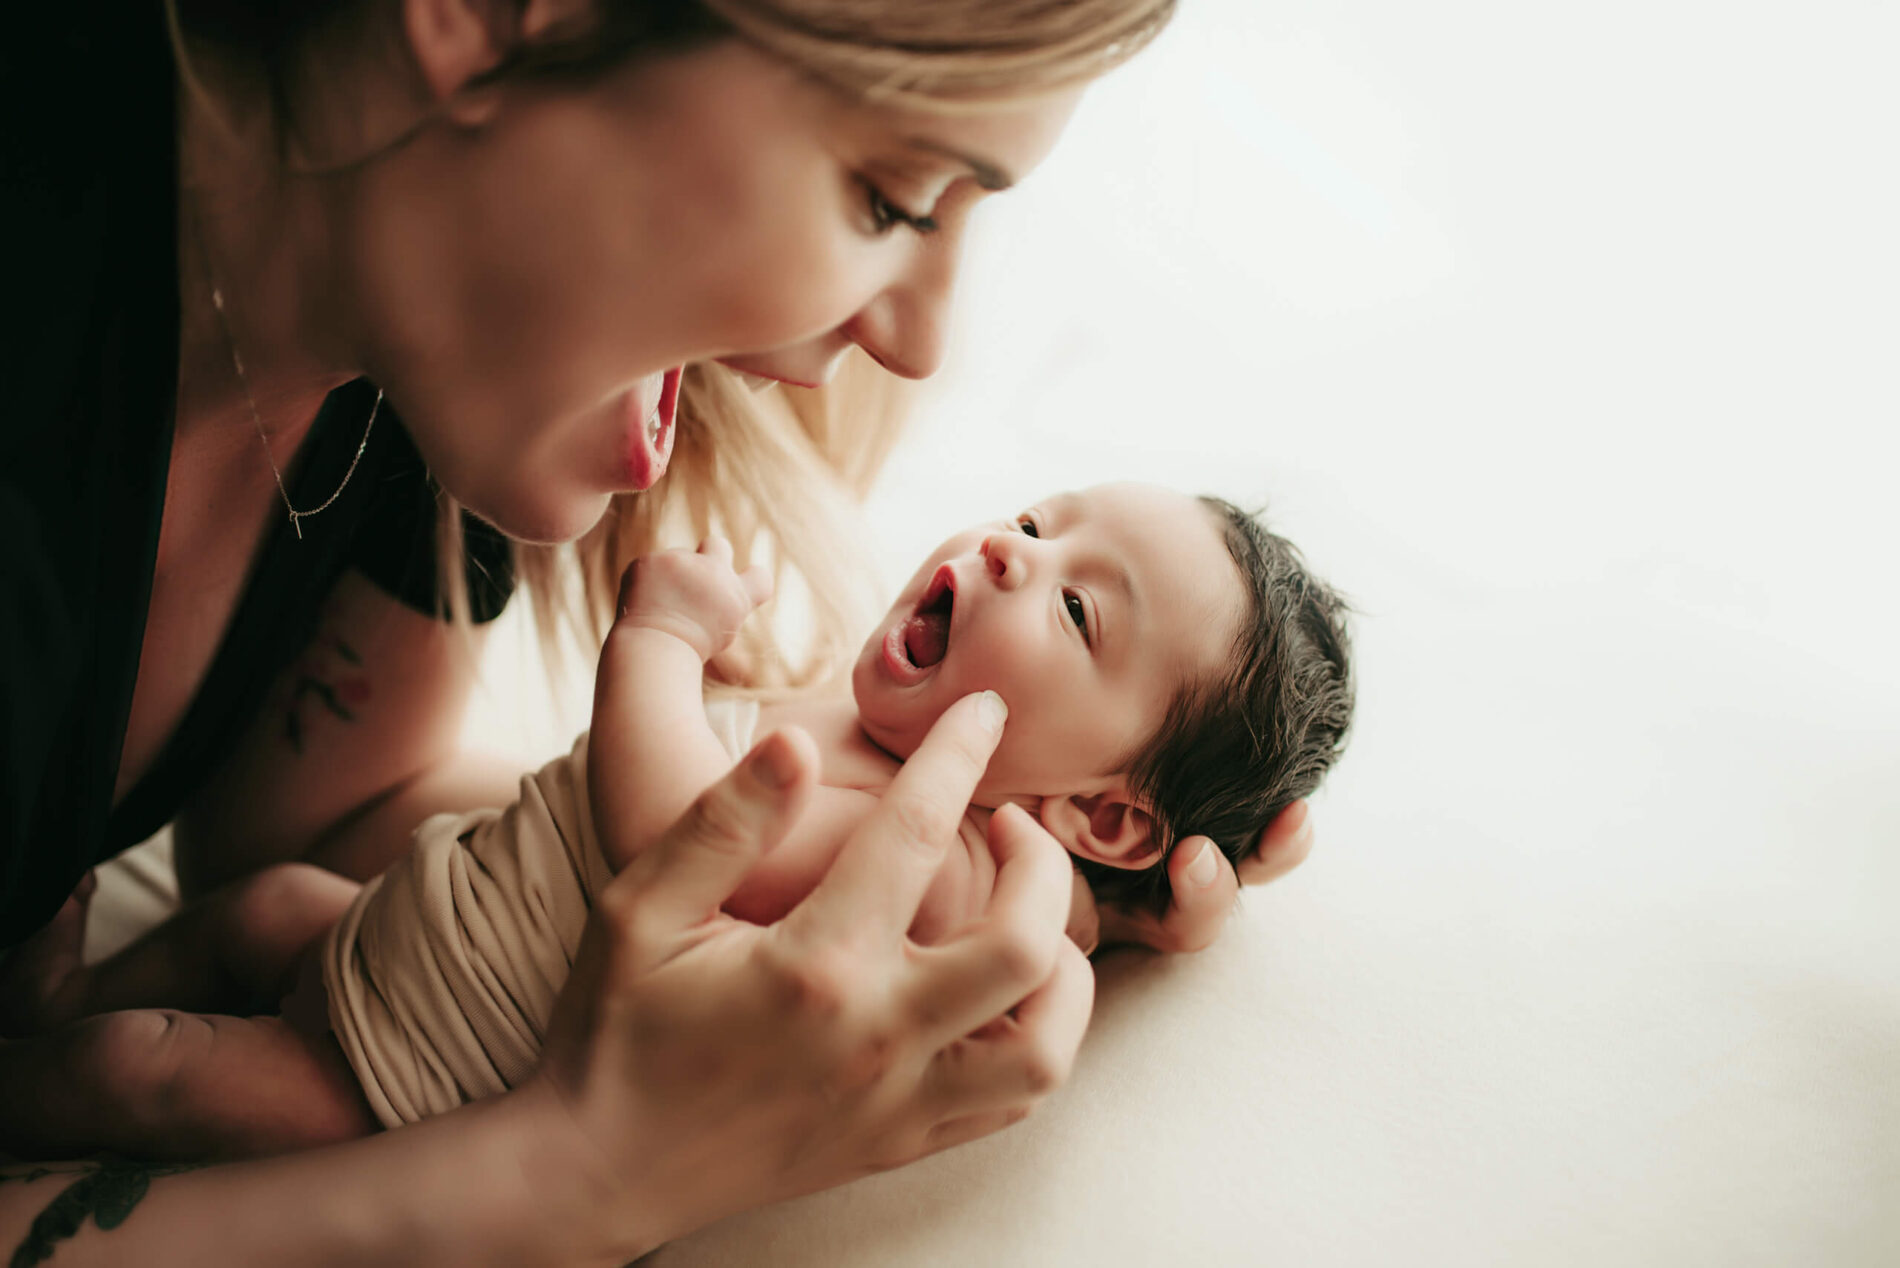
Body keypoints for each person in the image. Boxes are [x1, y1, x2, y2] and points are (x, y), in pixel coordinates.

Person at [0, 0, 1314, 1260]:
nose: (921, 339)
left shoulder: (426, 354)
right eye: (891, 198)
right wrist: (578, 1181)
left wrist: (1099, 905)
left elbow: (321, 819)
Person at [0, 483, 1354, 1156]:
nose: (1008, 551)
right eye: (1035, 522)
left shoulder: (927, 862)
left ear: (1099, 812)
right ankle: (51, 1010)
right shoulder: (869, 724)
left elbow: (674, 834)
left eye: (1073, 606)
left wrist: (652, 643)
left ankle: (30, 1083)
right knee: (256, 909)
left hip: (406, 1086)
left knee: (147, 1068)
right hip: (392, 940)